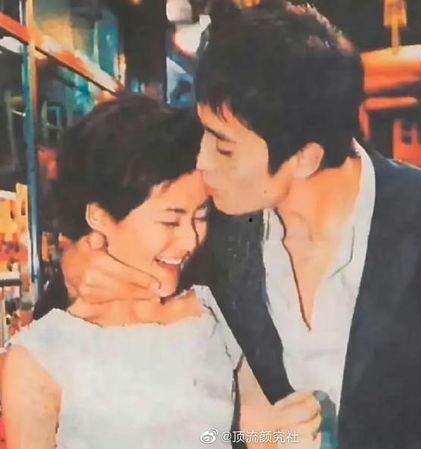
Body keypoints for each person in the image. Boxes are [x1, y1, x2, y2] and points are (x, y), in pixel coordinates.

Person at [50, 2, 421, 448]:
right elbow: (67, 324)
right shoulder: (207, 227)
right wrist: (81, 266)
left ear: (305, 158)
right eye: (205, 133)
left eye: (224, 148)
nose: (202, 162)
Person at [2, 95, 321, 449]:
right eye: (170, 220)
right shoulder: (41, 355)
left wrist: (291, 432)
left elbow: (256, 433)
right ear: (99, 216)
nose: (190, 239)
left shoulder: (209, 310)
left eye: (200, 216)